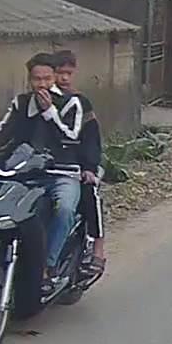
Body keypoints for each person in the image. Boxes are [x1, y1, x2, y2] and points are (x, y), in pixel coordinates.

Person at [0, 53, 84, 293]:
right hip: (25, 173)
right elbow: (4, 129)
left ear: (54, 78)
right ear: (29, 80)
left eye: (46, 79)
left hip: (62, 174)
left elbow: (71, 137)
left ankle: (47, 266)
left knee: (65, 209)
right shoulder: (21, 103)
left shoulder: (71, 103)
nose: (41, 84)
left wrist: (49, 111)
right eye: (36, 79)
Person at [53, 50, 106, 279]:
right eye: (59, 73)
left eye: (68, 73)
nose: (64, 78)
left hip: (78, 164)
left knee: (89, 192)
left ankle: (98, 248)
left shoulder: (81, 102)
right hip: (47, 165)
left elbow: (91, 138)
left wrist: (89, 167)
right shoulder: (39, 101)